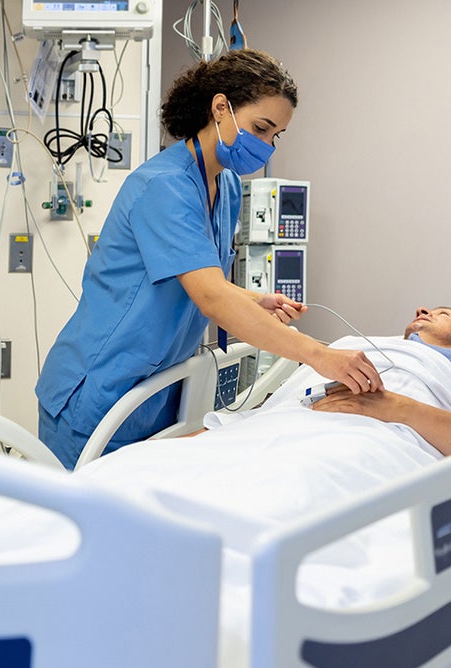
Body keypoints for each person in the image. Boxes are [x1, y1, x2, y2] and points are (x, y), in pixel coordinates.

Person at [36, 49, 382, 471]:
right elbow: (211, 298)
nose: (267, 145)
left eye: (276, 135)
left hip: (154, 392)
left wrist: (252, 300)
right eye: (261, 128)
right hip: (98, 389)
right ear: (221, 108)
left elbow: (196, 276)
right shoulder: (164, 187)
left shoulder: (227, 187)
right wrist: (318, 355)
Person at [310, 306, 451, 466]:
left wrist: (397, 408)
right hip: (304, 420)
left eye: (444, 313)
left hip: (373, 443)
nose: (421, 310)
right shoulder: (357, 348)